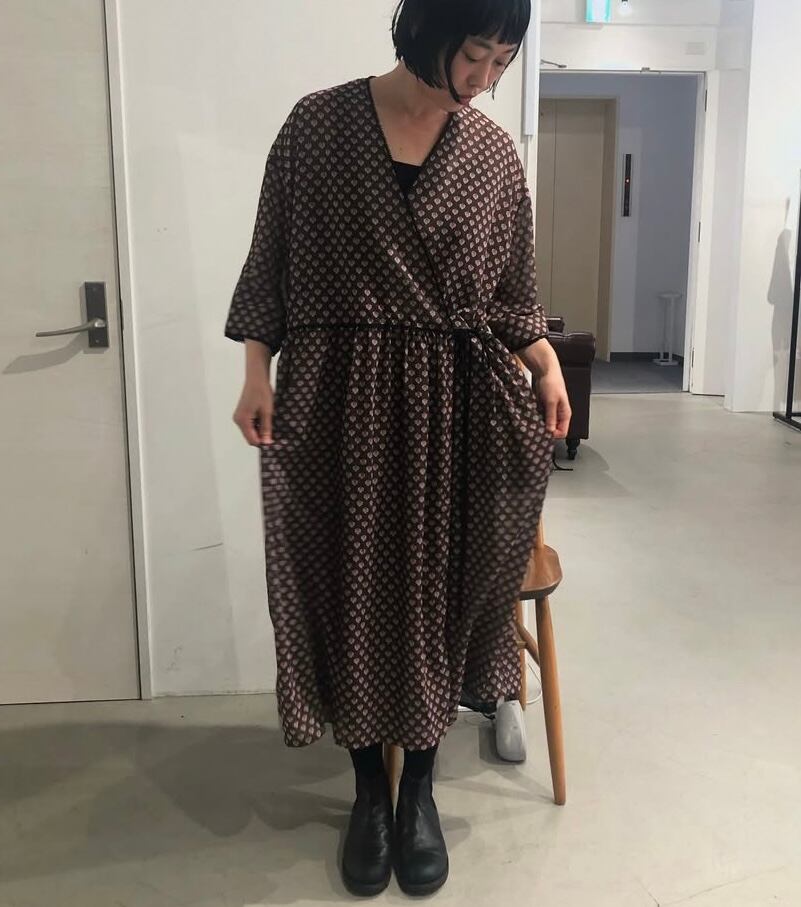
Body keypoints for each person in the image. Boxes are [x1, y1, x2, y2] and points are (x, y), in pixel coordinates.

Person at [224, 0, 571, 896]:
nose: (485, 80)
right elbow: (269, 263)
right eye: (475, 55)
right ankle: (364, 792)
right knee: (343, 581)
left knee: (435, 590)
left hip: (455, 408)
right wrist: (256, 370)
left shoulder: (491, 155)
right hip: (335, 397)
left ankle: (416, 785)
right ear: (426, 32)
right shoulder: (316, 127)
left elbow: (513, 294)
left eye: (502, 62)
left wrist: (542, 363)